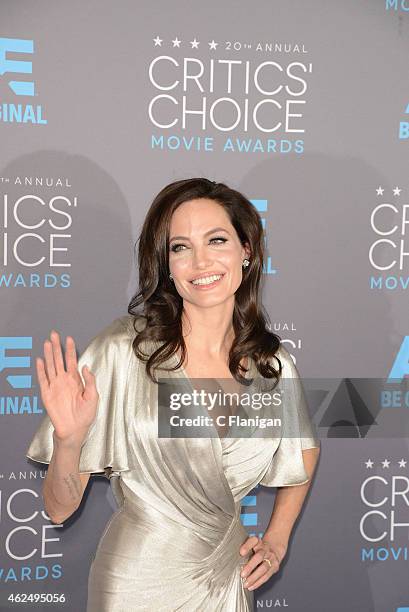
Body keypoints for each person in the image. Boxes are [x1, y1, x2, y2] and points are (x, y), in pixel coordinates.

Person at [26, 177, 320, 611]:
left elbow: (304, 451)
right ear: (166, 265)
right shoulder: (123, 352)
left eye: (216, 240)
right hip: (134, 583)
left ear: (247, 250)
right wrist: (69, 441)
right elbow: (59, 509)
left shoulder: (270, 367)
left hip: (227, 578)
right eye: (180, 247)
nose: (201, 262)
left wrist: (276, 539)